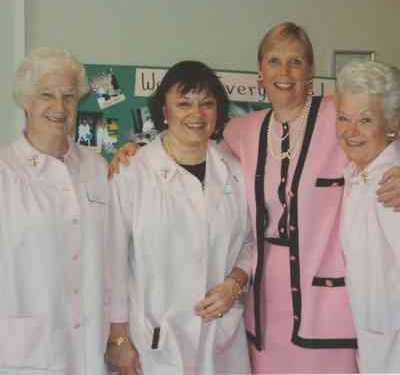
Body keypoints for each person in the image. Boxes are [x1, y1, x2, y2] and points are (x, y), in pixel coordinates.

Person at [108, 23, 400, 374]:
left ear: (310, 71)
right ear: (260, 70)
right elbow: (188, 151)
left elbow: (381, 125)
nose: (284, 72)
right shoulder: (241, 132)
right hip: (262, 310)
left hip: (328, 310)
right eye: (274, 60)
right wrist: (136, 151)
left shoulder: (339, 115)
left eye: (295, 61)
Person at [107, 60, 253, 375]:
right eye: (184, 103)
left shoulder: (236, 172)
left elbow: (250, 244)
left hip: (220, 339)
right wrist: (118, 337)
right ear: (164, 110)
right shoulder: (132, 172)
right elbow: (113, 261)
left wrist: (234, 283)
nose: (196, 114)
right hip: (154, 342)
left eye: (207, 104)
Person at [0, 47, 110, 374]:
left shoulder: (97, 168)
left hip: (89, 345)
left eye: (69, 96)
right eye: (46, 94)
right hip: (23, 351)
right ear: (25, 100)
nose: (59, 107)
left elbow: (115, 252)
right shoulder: (4, 170)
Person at [336, 61, 400, 373]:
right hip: (373, 346)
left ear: (391, 123)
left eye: (365, 120)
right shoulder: (356, 174)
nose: (350, 131)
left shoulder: (391, 185)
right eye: (343, 118)